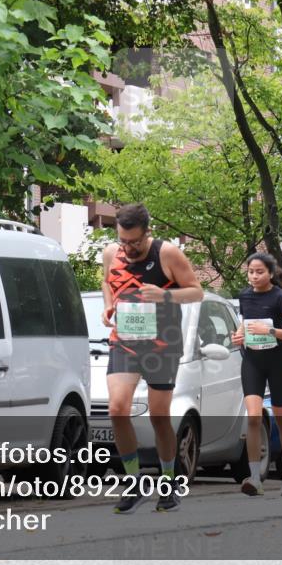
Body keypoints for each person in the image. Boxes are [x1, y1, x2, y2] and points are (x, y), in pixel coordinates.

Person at [102, 203, 203, 513]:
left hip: (162, 345)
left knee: (159, 416)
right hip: (126, 342)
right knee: (118, 409)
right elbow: (107, 281)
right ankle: (134, 483)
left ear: (148, 232)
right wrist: (108, 306)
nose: (129, 248)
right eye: (123, 241)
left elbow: (196, 291)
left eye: (135, 242)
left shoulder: (167, 253)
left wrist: (165, 295)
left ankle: (168, 482)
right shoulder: (110, 253)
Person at [230, 253, 282, 497]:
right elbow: (245, 323)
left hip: (278, 363)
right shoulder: (245, 295)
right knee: (253, 417)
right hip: (252, 360)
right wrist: (237, 336)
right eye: (250, 271)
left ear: (270, 274)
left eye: (259, 272)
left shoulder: (280, 298)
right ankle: (254, 477)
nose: (254, 276)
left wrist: (270, 330)